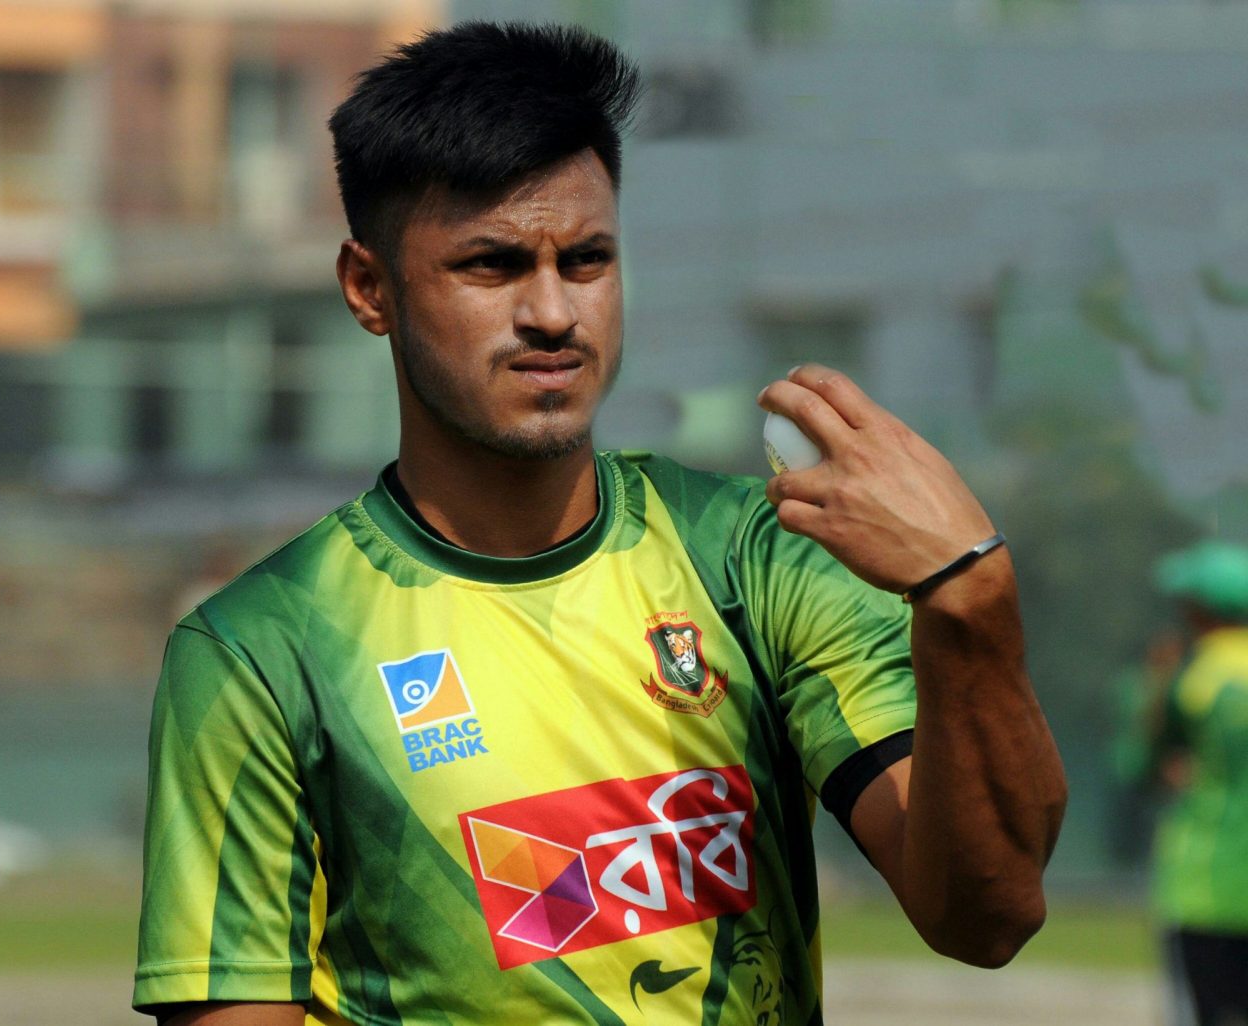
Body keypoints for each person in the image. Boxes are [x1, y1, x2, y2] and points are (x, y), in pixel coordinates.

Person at [132, 22, 1066, 1026]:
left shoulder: (751, 556)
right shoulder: (263, 650)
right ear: (370, 288)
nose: (552, 313)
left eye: (585, 260)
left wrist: (970, 599)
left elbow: (986, 917)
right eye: (491, 266)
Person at [1129, 541, 1248, 1026]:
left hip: (1204, 883)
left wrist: (1155, 684)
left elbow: (1143, 764)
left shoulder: (1192, 675)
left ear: (1202, 610)